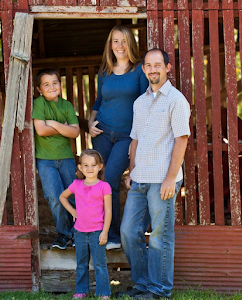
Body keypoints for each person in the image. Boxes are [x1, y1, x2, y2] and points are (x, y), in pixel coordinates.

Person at [117, 49, 190, 300]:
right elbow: (135, 139)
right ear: (144, 69)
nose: (152, 69)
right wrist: (132, 169)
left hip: (163, 179)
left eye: (157, 65)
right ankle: (143, 283)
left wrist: (171, 178)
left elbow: (181, 140)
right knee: (128, 231)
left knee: (160, 235)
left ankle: (159, 290)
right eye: (148, 65)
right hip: (140, 178)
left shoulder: (176, 100)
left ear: (168, 68)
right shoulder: (140, 102)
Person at [88, 25, 149, 250]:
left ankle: (113, 235)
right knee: (97, 180)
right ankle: (99, 231)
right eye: (115, 41)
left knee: (110, 179)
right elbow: (97, 102)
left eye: (123, 41)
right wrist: (90, 123)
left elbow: (144, 103)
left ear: (130, 44)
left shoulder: (139, 70)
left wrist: (139, 137)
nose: (119, 46)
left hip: (126, 135)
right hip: (102, 132)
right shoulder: (104, 71)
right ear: (110, 44)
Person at [32, 69, 80, 250]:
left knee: (73, 195)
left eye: (54, 83)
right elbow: (41, 130)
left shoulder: (66, 105)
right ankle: (64, 233)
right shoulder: (39, 104)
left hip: (66, 159)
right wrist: (63, 127)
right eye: (46, 84)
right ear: (39, 89)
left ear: (60, 84)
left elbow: (75, 132)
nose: (51, 87)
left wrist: (51, 123)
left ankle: (78, 232)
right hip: (45, 161)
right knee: (54, 197)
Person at [59, 149, 112, 299]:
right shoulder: (76, 184)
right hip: (80, 232)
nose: (90, 169)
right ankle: (81, 290)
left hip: (97, 232)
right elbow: (62, 197)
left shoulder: (104, 187)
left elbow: (108, 210)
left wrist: (105, 231)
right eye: (86, 165)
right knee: (81, 263)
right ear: (80, 168)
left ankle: (103, 292)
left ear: (100, 166)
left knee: (99, 265)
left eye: (93, 165)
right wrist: (73, 212)